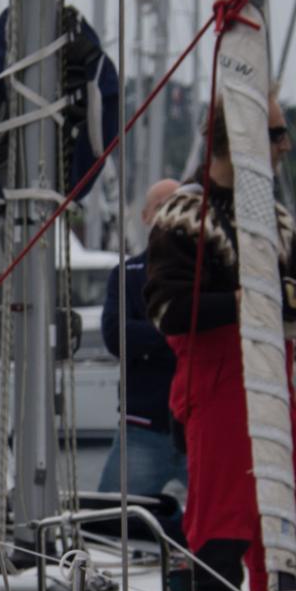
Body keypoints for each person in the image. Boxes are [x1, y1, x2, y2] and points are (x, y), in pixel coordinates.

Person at [144, 92, 295, 591]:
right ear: (241, 137)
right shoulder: (183, 218)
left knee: (279, 540)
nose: (285, 146)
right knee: (218, 537)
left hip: (277, 389)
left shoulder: (278, 221)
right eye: (277, 134)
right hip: (218, 392)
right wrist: (250, 299)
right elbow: (166, 308)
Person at [97, 179, 187, 499]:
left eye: (178, 205)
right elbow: (116, 336)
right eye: (161, 206)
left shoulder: (206, 274)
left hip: (199, 427)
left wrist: (150, 334)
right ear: (146, 216)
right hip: (142, 427)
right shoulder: (128, 275)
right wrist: (174, 331)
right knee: (108, 518)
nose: (169, 213)